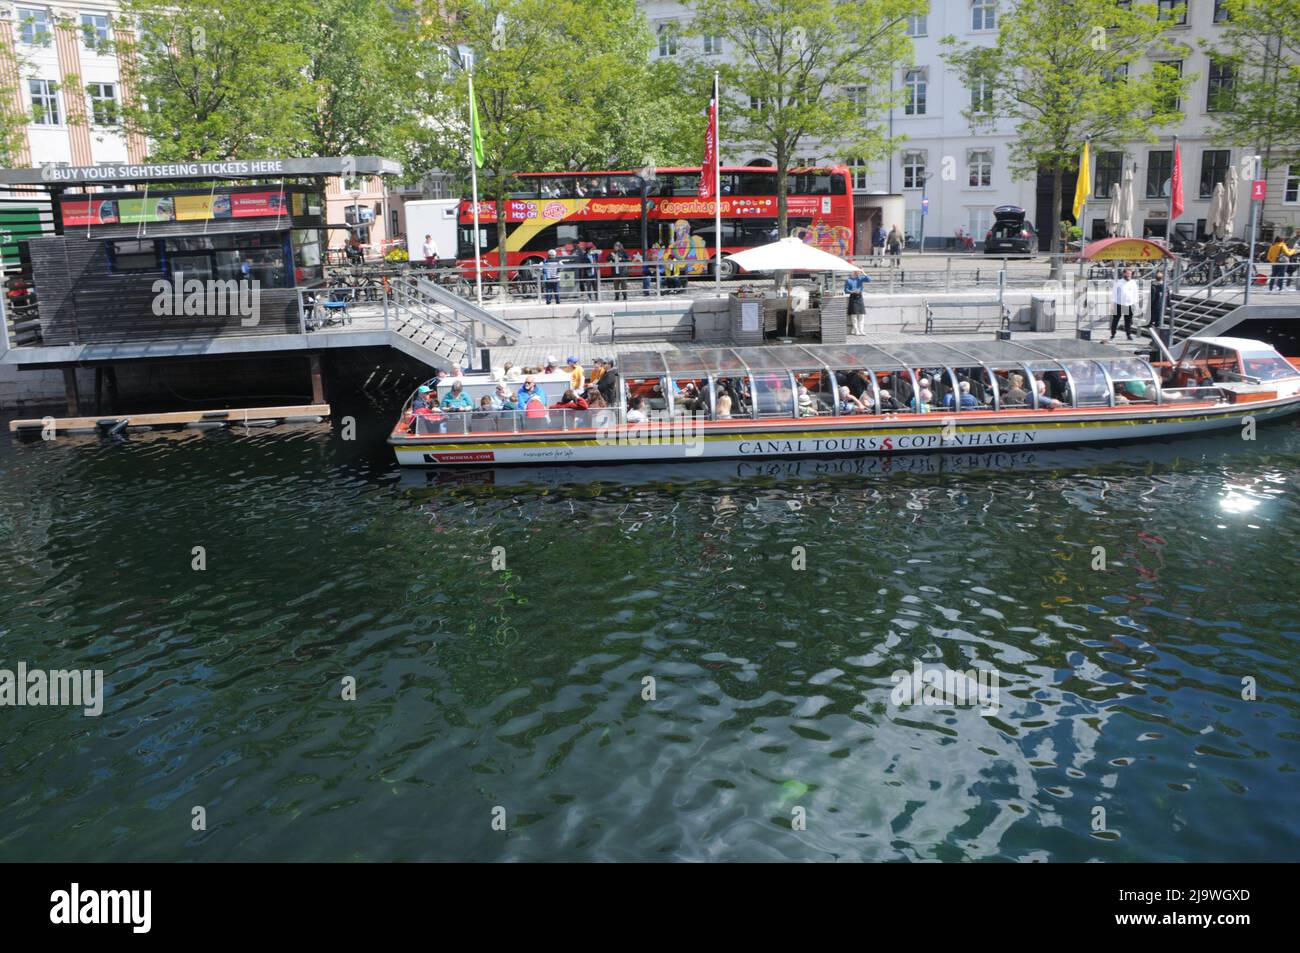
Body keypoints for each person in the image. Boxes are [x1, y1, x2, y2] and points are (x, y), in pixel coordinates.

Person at [1111, 267, 1139, 341]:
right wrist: (1113, 304)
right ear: (1124, 274)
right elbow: (1114, 293)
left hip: (1129, 304)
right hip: (1119, 304)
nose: (1129, 276)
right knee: (1115, 320)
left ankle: (1128, 334)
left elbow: (1135, 294)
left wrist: (1135, 303)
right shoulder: (1118, 282)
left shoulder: (1133, 283)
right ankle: (1113, 334)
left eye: (1130, 274)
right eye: (1128, 274)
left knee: (1128, 321)